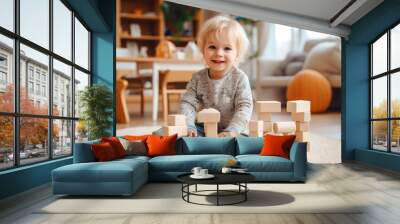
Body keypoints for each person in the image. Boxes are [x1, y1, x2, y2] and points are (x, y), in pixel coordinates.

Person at [180, 15, 253, 137]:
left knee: (246, 143)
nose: (219, 53)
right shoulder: (198, 78)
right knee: (171, 134)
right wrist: (188, 125)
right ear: (203, 50)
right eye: (212, 47)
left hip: (231, 130)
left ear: (237, 54)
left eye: (227, 48)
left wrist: (233, 130)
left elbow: (244, 107)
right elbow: (187, 103)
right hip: (203, 129)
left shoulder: (240, 78)